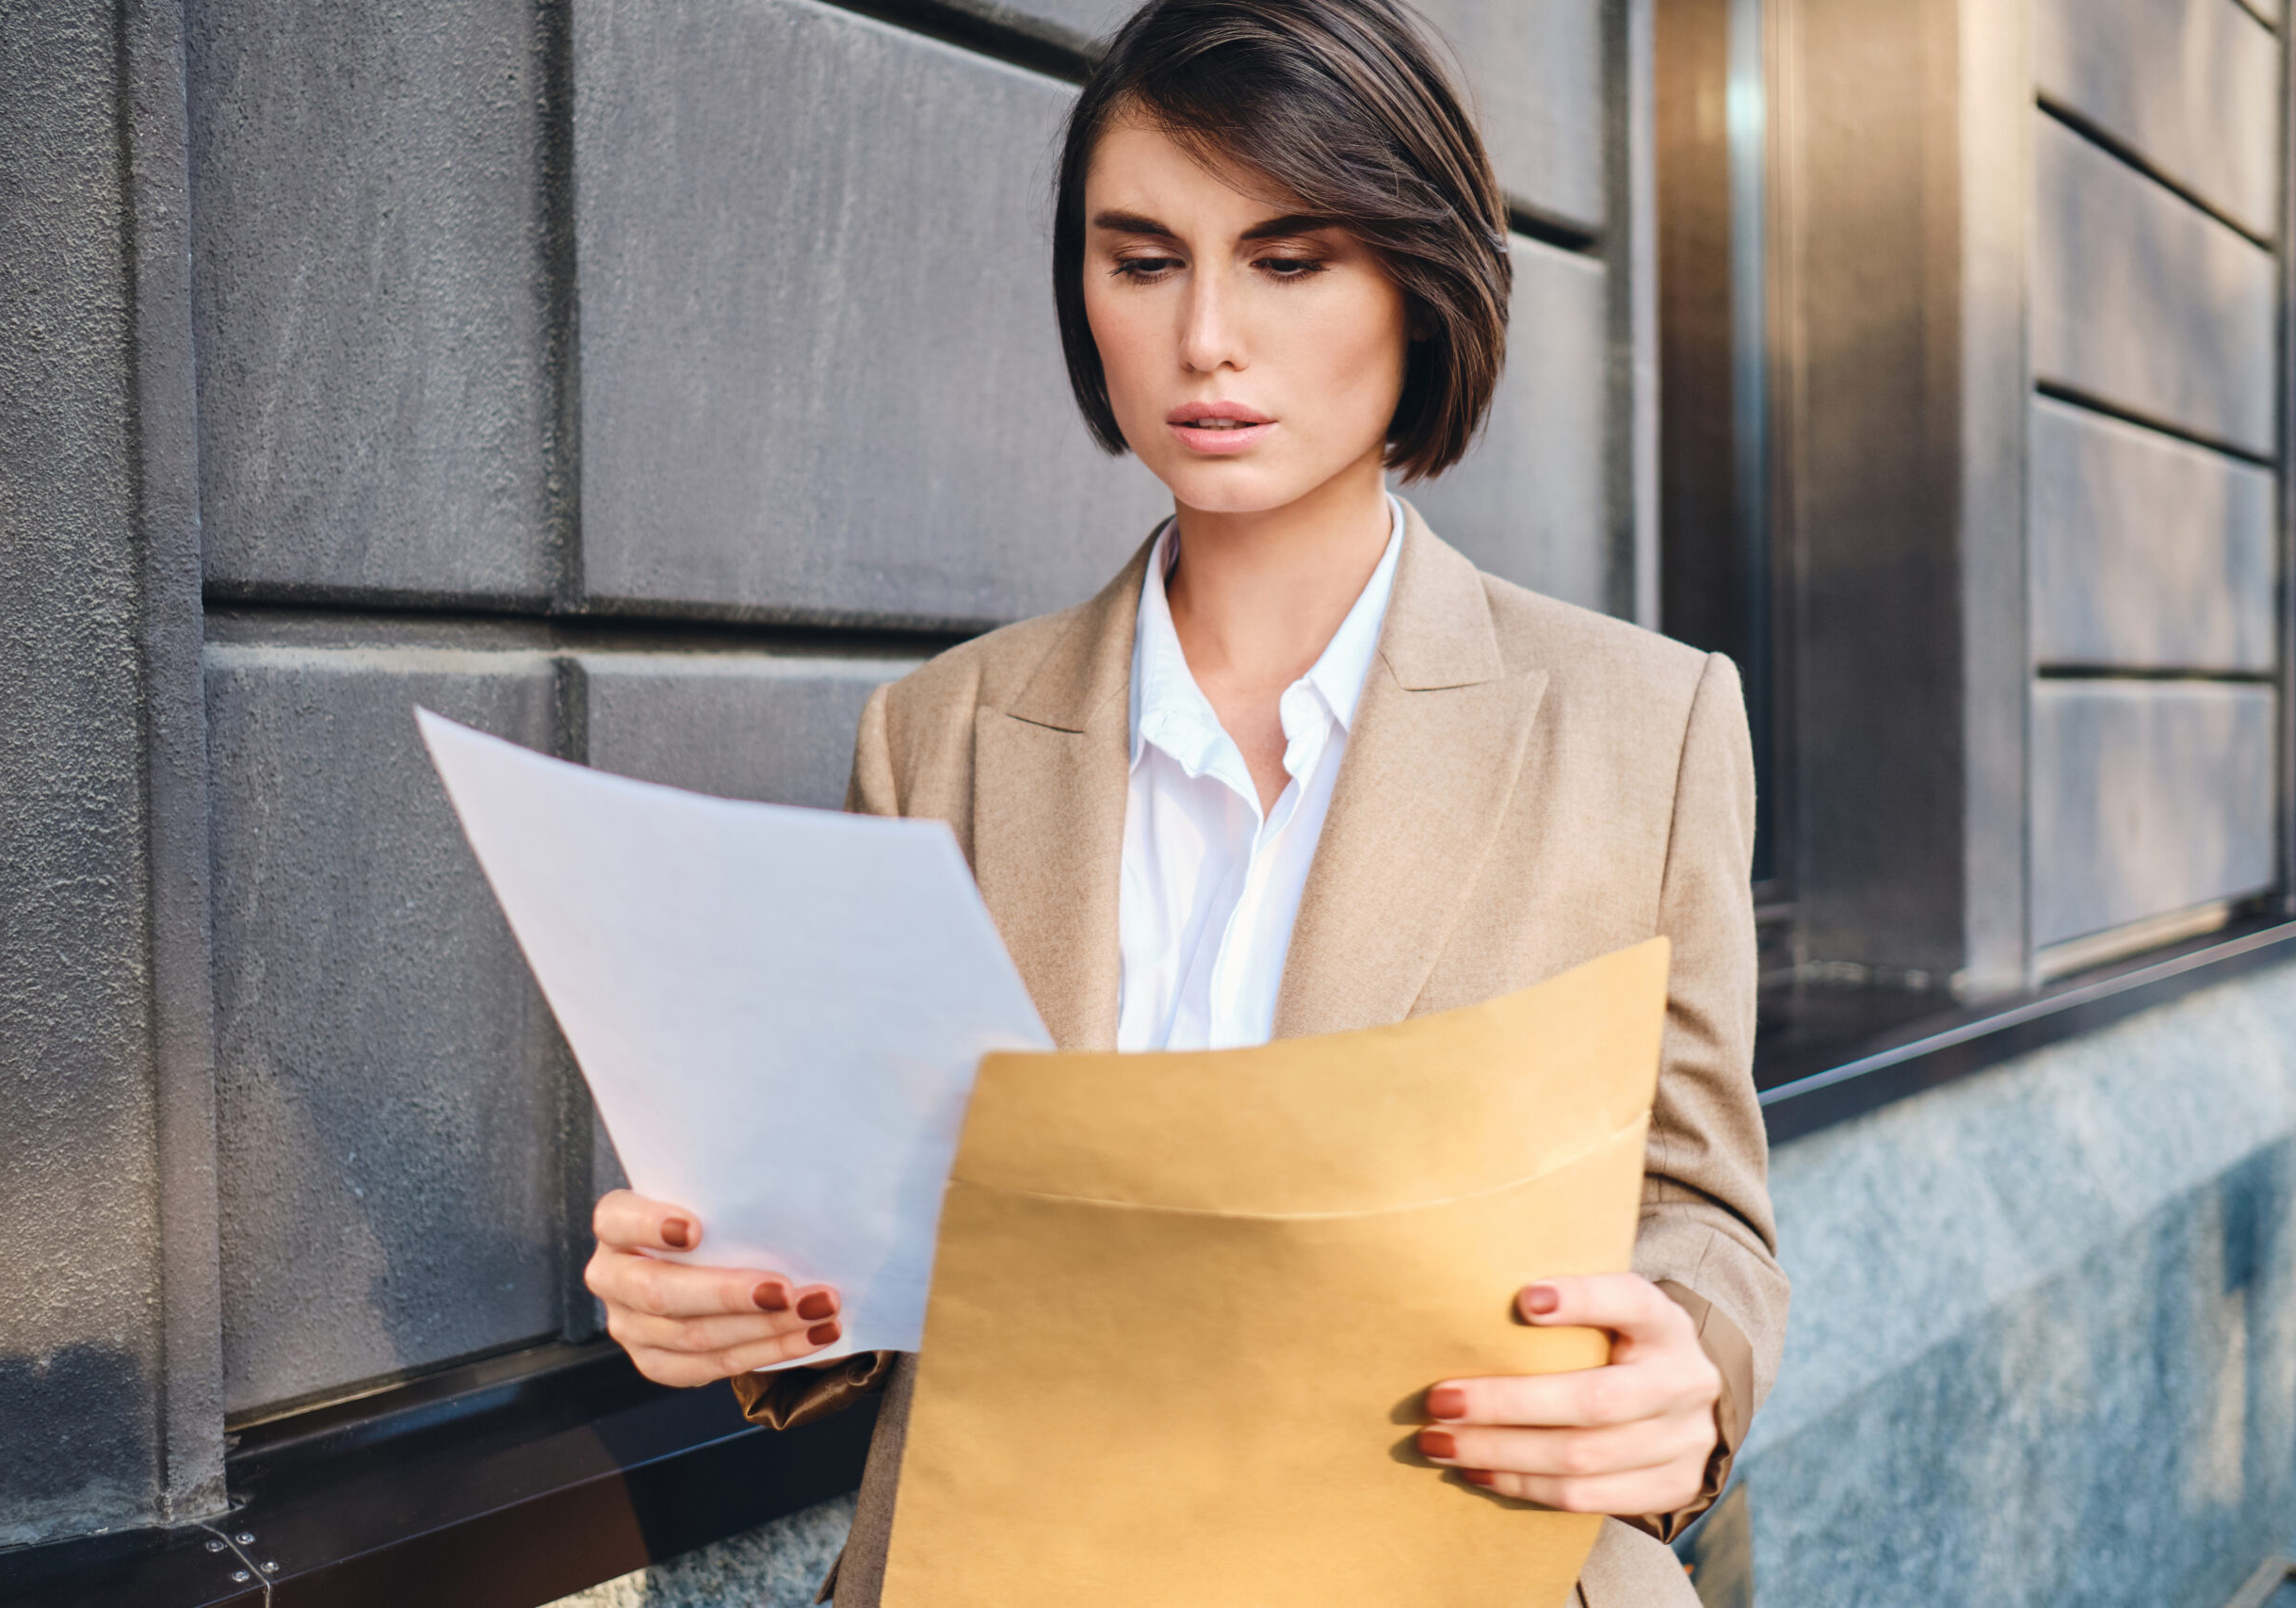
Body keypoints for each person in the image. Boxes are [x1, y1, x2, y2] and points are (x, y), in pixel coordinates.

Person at [583, 0, 1787, 1600]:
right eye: (1143, 260)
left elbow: (1698, 1205)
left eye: (1289, 261)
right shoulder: (937, 737)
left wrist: (1679, 1373)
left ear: (1420, 287)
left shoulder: (1649, 722)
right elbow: (872, 1258)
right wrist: (735, 1298)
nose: (1206, 334)